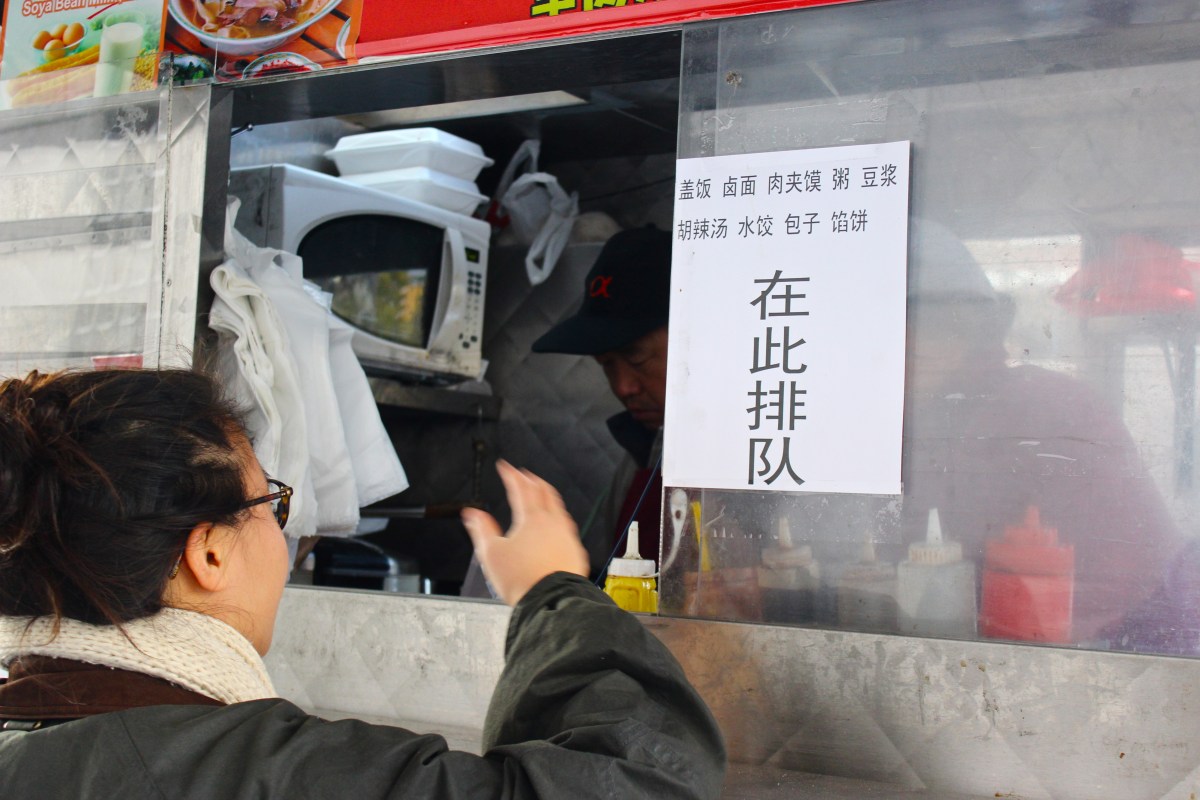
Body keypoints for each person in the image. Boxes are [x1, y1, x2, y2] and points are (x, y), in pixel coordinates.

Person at [0, 368, 726, 798]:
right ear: (209, 555)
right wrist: (554, 592)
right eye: (270, 504)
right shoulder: (261, 773)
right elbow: (643, 781)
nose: (283, 538)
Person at [531, 225, 672, 577]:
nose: (623, 387)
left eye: (637, 357)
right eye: (606, 364)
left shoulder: (740, 461)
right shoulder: (637, 457)